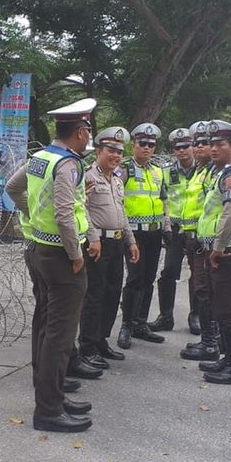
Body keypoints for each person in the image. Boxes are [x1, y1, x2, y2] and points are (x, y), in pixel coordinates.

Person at [5, 97, 96, 433]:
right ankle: (48, 410)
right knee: (60, 335)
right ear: (80, 132)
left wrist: (32, 216)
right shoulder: (68, 165)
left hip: (39, 250)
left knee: (44, 325)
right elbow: (64, 214)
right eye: (87, 128)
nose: (89, 135)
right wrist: (76, 255)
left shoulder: (40, 157)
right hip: (61, 258)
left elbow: (13, 188)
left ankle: (50, 394)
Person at [76, 127, 140, 371]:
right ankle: (88, 346)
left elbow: (122, 213)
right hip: (97, 244)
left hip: (116, 242)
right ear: (99, 152)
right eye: (111, 150)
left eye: (119, 152)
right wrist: (93, 238)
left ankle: (101, 340)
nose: (115, 156)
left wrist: (131, 241)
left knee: (112, 293)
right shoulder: (88, 177)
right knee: (94, 295)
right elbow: (81, 210)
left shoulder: (116, 179)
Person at [197, 119, 231, 386]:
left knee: (228, 310)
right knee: (220, 307)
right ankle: (228, 359)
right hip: (220, 250)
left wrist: (217, 247)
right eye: (212, 144)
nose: (214, 149)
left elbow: (230, 214)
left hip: (230, 252)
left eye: (220, 144)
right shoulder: (220, 174)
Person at [117, 123, 170, 349]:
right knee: (134, 279)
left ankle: (140, 322)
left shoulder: (157, 171)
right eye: (142, 144)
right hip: (133, 235)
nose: (147, 148)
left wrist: (166, 227)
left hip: (154, 234)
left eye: (151, 144)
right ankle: (127, 325)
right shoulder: (125, 169)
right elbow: (116, 200)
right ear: (133, 145)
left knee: (148, 279)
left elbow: (164, 201)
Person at [150, 127, 201, 334]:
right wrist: (166, 224)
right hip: (175, 229)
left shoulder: (203, 170)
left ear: (193, 147)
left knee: (197, 274)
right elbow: (162, 199)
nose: (182, 151)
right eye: (177, 148)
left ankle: (195, 316)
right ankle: (166, 316)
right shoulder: (166, 172)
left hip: (196, 230)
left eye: (186, 146)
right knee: (169, 271)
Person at [179, 121, 222, 362]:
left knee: (206, 291)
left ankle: (211, 343)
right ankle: (210, 339)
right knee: (202, 290)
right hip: (195, 240)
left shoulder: (216, 173)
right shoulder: (202, 171)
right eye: (196, 143)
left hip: (207, 241)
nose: (198, 148)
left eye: (205, 143)